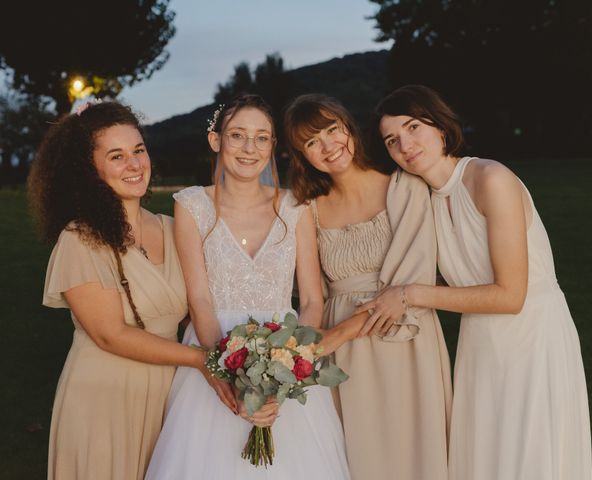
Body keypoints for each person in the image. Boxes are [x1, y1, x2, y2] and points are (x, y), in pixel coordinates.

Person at [373, 84, 592, 480]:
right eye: (392, 140)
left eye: (413, 127)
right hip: (480, 346)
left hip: (532, 338)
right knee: (484, 458)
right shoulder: (425, 199)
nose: (405, 144)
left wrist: (409, 295)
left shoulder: (491, 178)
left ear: (440, 127)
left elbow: (511, 296)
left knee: (529, 456)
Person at [145, 94, 350, 479]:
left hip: (286, 348)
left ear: (273, 146)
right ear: (216, 140)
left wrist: (290, 364)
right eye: (237, 135)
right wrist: (228, 375)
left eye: (261, 138)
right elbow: (201, 299)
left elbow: (310, 299)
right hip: (214, 349)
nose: (248, 148)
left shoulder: (295, 207)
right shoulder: (192, 205)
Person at [28, 101, 236, 480]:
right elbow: (110, 334)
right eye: (117, 156)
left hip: (168, 395)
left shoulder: (174, 228)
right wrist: (200, 360)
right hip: (103, 395)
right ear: (89, 169)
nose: (135, 164)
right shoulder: (81, 238)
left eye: (138, 150)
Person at [284, 93, 453, 480]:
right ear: (301, 155)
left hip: (406, 339)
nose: (328, 146)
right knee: (359, 457)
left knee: (416, 454)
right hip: (345, 360)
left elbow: (411, 283)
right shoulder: (306, 208)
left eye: (331, 130)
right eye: (312, 142)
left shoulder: (404, 186)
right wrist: (312, 347)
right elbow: (314, 295)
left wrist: (335, 335)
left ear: (348, 126)